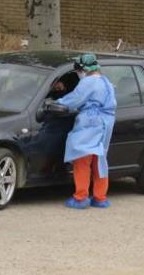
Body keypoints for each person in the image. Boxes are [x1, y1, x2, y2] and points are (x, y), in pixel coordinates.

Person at [55, 54, 116, 209]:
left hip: (91, 122)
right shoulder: (106, 81)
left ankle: (80, 197)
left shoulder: (88, 82)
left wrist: (55, 103)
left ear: (83, 69)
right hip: (106, 123)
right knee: (99, 160)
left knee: (82, 158)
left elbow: (75, 99)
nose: (78, 75)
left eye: (77, 72)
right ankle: (100, 197)